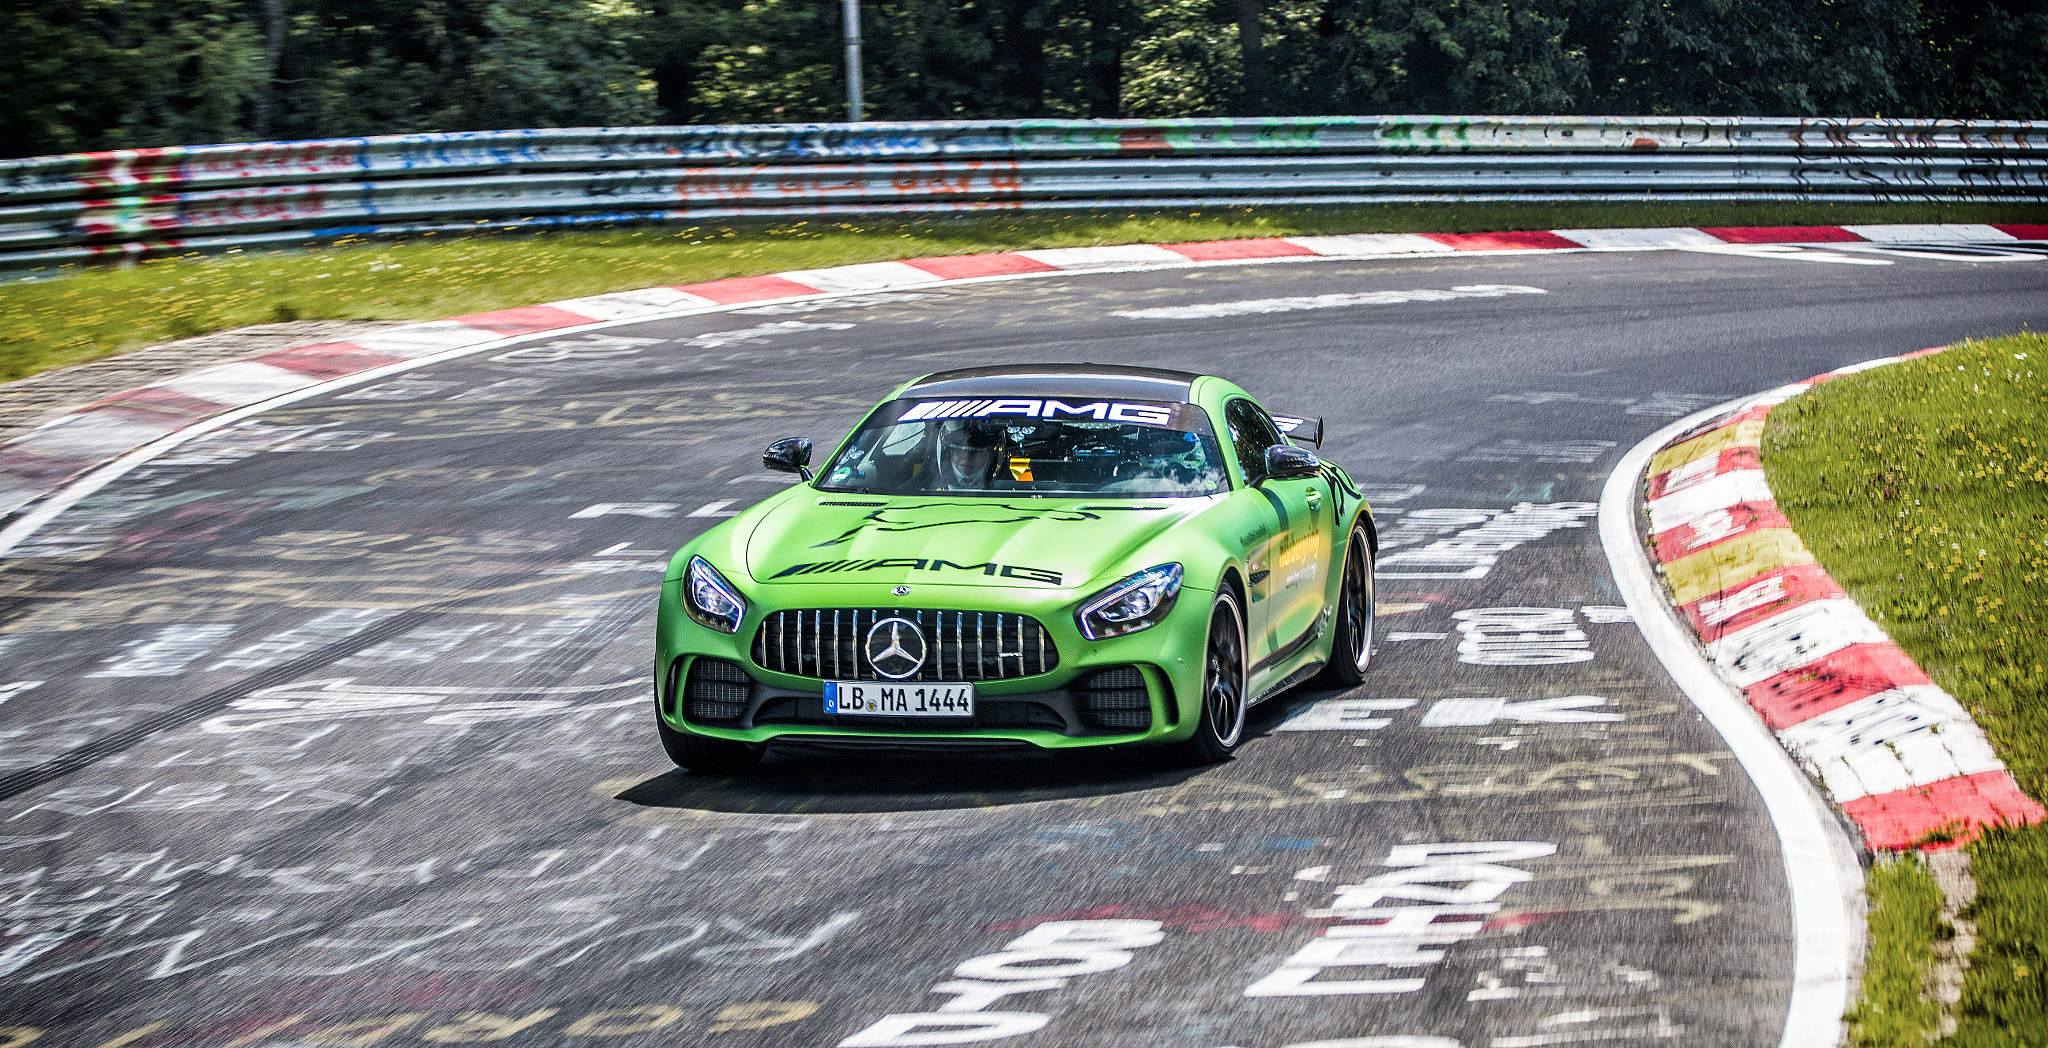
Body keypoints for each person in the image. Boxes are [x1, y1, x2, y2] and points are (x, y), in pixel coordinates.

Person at [932, 420, 1003, 490]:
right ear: (947, 454)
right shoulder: (928, 487)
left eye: (976, 450)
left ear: (991, 455)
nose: (967, 456)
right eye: (959, 449)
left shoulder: (1008, 488)